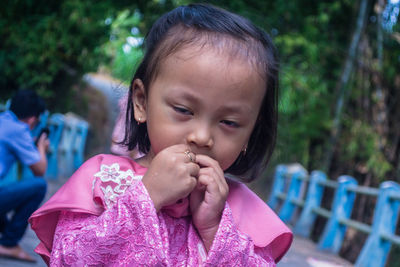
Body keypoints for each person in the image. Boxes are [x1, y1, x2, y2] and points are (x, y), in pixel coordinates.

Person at [30, 3, 293, 266]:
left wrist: (214, 228)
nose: (202, 137)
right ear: (142, 102)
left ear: (251, 132)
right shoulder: (103, 182)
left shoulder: (240, 210)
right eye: (183, 110)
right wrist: (146, 198)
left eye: (230, 122)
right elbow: (67, 259)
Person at [0, 89, 49, 262]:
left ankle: (8, 239)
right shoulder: (19, 130)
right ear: (32, 119)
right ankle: (8, 243)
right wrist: (41, 147)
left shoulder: (3, 120)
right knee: (39, 186)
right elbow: (40, 169)